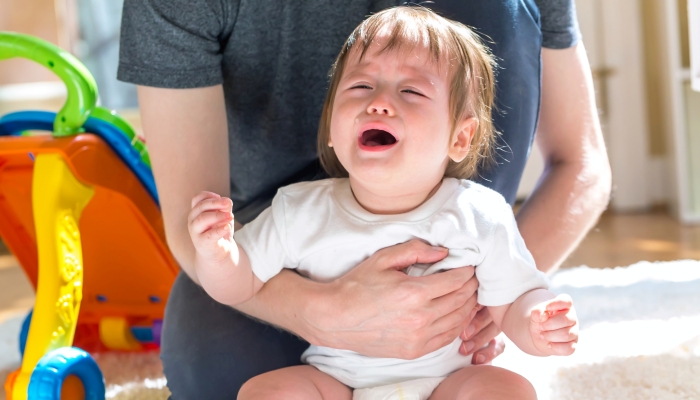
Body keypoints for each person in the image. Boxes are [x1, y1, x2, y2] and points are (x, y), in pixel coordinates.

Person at [118, 0, 611, 398]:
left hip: (450, 374)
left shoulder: (477, 213)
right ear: (329, 128)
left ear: (461, 139)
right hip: (334, 376)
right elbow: (237, 276)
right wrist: (220, 252)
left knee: (506, 389)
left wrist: (522, 318)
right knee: (254, 387)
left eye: (411, 92)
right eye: (360, 86)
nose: (379, 101)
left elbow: (523, 284)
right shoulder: (297, 210)